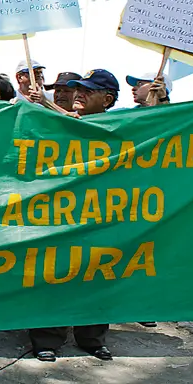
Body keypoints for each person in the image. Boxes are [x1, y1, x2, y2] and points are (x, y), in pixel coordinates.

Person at [27, 69, 119, 363]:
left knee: (97, 278)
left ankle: (92, 339)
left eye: (88, 91)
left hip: (102, 216)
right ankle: (46, 340)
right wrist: (41, 104)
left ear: (107, 99)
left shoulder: (124, 124)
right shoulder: (56, 122)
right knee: (54, 275)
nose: (78, 94)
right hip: (60, 215)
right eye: (77, 89)